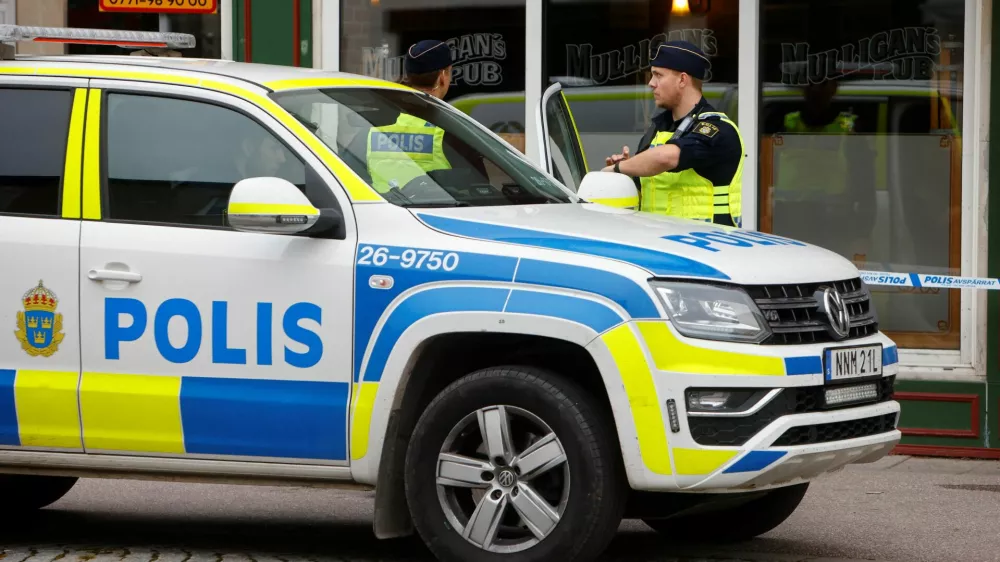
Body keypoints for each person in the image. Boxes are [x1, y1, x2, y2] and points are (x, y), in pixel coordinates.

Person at [602, 40, 745, 227]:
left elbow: (666, 158)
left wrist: (618, 168)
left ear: (682, 80)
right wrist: (629, 172)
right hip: (660, 244)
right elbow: (654, 190)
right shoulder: (658, 128)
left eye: (658, 75)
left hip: (708, 247)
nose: (651, 84)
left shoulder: (716, 128)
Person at [366, 40, 454, 194]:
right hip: (435, 211)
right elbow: (478, 183)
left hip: (382, 209)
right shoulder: (449, 127)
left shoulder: (378, 119)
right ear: (442, 76)